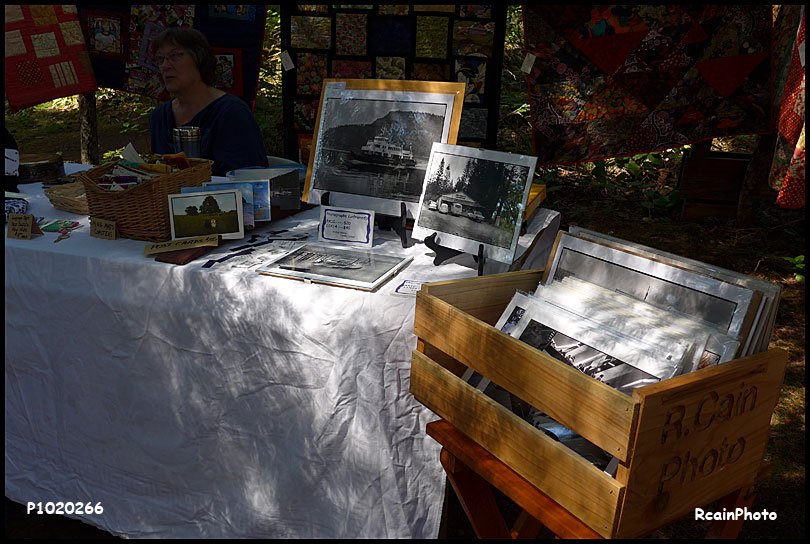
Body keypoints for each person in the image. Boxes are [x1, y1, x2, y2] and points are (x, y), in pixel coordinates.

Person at [149, 27, 268, 176]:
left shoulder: (232, 113)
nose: (165, 66)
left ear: (199, 59)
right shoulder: (159, 117)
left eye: (175, 56)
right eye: (161, 59)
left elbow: (248, 180)